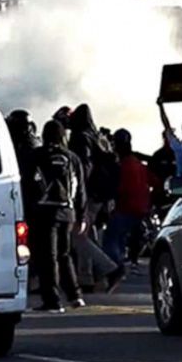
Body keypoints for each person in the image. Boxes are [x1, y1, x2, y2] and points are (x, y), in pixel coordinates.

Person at [29, 120, 86, 313]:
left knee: (48, 257)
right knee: (65, 254)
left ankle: (52, 301)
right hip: (67, 211)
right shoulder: (72, 158)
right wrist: (82, 215)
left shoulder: (37, 156)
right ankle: (75, 296)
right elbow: (80, 189)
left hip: (44, 211)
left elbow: (28, 184)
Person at [66, 104, 123, 293]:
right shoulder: (97, 137)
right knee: (88, 234)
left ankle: (107, 268)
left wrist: (78, 192)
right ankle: (87, 277)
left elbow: (83, 167)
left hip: (88, 193)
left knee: (77, 234)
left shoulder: (80, 137)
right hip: (100, 194)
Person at [103, 129, 155, 271]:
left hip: (126, 207)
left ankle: (116, 267)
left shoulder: (122, 166)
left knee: (111, 237)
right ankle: (124, 261)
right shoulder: (138, 164)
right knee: (122, 235)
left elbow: (121, 189)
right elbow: (154, 181)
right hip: (141, 208)